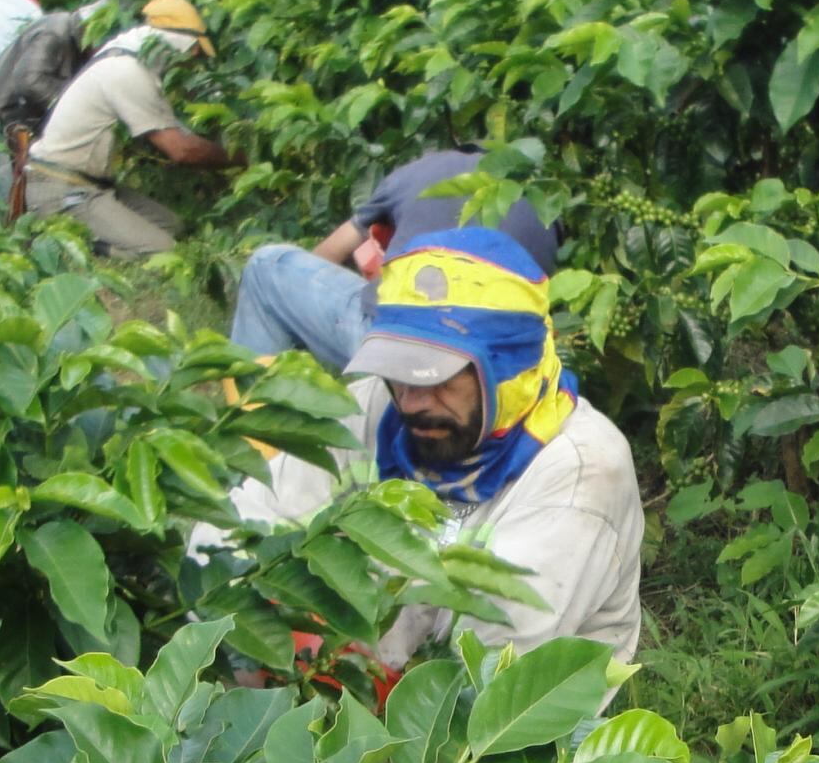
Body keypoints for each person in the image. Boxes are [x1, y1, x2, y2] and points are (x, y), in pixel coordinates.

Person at [223, 227, 643, 670]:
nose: (411, 401)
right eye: (399, 370)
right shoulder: (380, 405)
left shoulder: (581, 475)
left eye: (436, 376)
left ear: (506, 372)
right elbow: (247, 516)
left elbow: (486, 678)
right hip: (359, 663)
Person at [229, 150, 562, 374]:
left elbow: (330, 252)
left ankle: (253, 432)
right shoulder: (544, 203)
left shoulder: (419, 172)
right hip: (506, 360)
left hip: (406, 346)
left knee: (267, 267)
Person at [21, 0, 235, 258]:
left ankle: (94, 233)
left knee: (173, 227)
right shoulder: (128, 72)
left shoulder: (124, 54)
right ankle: (79, 244)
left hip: (92, 184)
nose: (191, 60)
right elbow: (181, 150)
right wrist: (237, 158)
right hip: (62, 189)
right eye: (192, 51)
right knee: (163, 251)